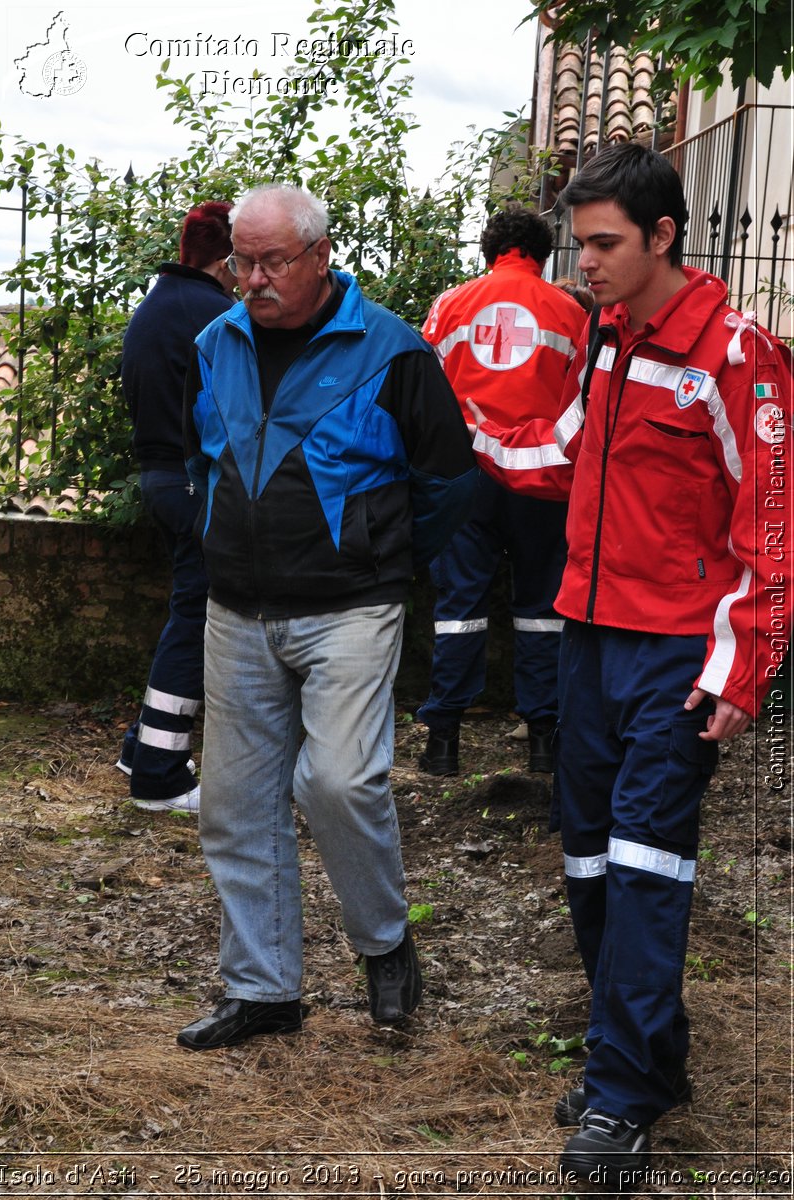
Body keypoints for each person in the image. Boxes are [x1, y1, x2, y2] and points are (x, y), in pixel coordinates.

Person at [469, 143, 793, 1185]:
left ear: (660, 236)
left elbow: (774, 526)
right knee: (588, 862)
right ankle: (641, 1061)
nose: (583, 265)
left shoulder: (734, 356)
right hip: (587, 640)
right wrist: (450, 422)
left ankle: (616, 1099)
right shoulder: (609, 341)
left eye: (603, 244)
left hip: (676, 658)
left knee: (647, 864)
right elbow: (555, 454)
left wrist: (738, 674)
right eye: (577, 242)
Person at [176, 183, 478, 1050]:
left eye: (274, 262)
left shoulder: (392, 350)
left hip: (350, 608)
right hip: (237, 608)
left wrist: (381, 552)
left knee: (338, 780)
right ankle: (263, 989)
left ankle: (384, 944)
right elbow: (202, 457)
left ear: (320, 256)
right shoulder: (214, 342)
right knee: (233, 806)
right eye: (242, 261)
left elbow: (450, 482)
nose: (254, 280)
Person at [416, 205, 587, 777]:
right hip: (542, 478)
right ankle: (543, 740)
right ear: (544, 253)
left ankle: (442, 743)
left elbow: (425, 392)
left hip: (466, 477)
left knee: (458, 607)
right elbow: (581, 405)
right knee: (542, 607)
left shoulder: (449, 305)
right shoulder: (569, 312)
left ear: (488, 251)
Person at [117, 202, 236, 813]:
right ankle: (158, 775)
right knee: (195, 621)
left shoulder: (156, 304)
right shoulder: (213, 313)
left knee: (184, 612)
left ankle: (141, 746)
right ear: (228, 260)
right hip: (194, 485)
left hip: (157, 478)